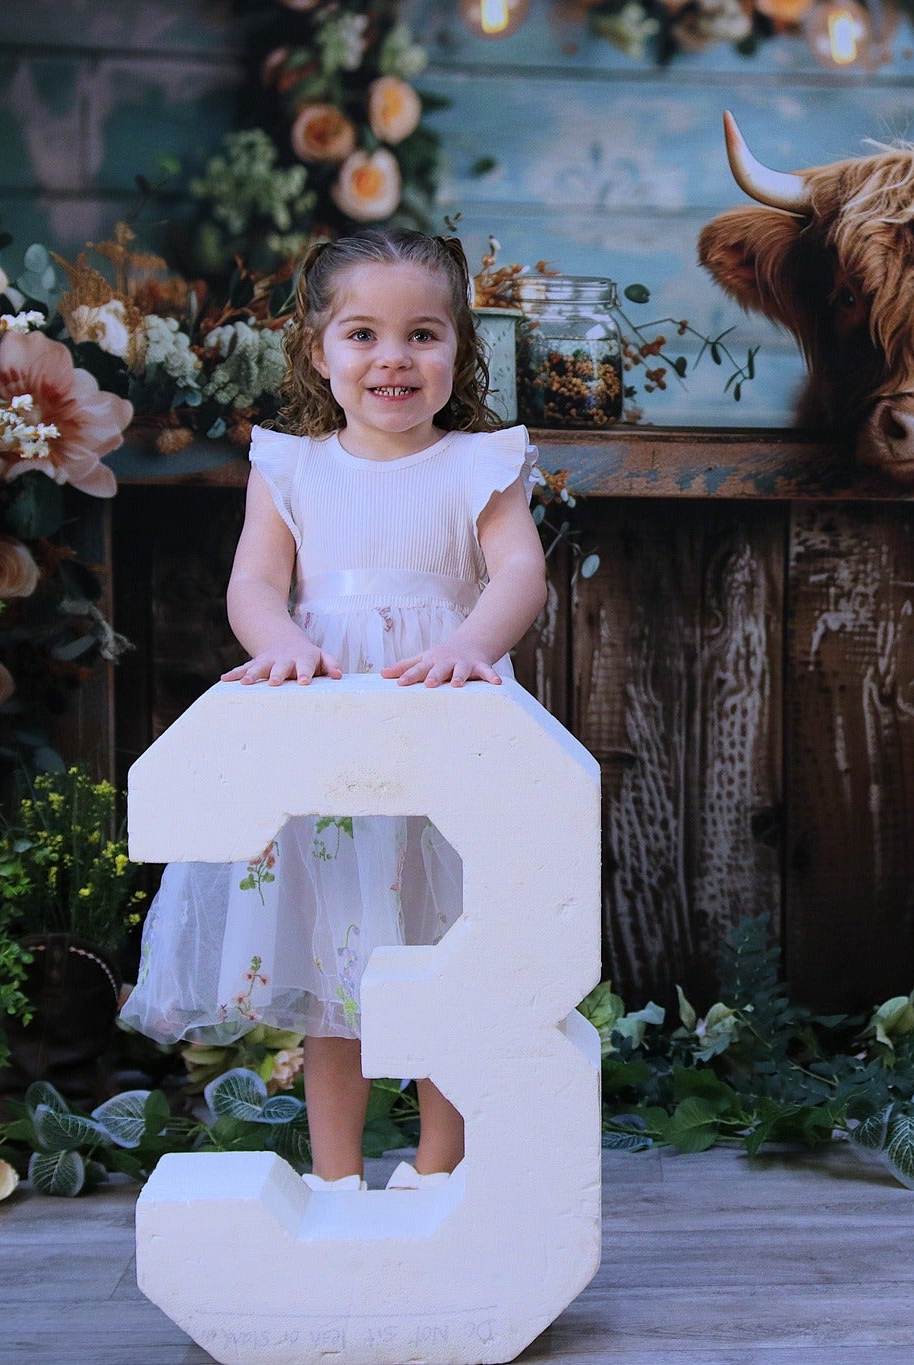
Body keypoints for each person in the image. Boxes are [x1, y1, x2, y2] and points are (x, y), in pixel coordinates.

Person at [120, 228, 548, 1192]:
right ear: (318, 351)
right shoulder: (293, 466)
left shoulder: (479, 463)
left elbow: (520, 571)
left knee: (448, 957)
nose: (393, 357)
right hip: (331, 740)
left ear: (458, 352)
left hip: (442, 723)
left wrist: (473, 643)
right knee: (333, 970)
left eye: (423, 334)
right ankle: (335, 1178)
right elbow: (254, 582)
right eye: (362, 333)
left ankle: (441, 1171)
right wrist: (278, 643)